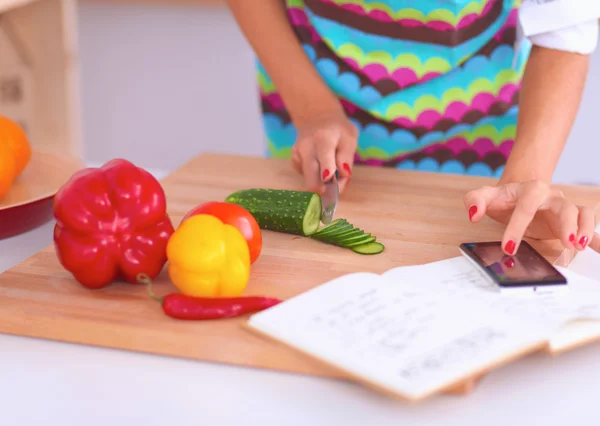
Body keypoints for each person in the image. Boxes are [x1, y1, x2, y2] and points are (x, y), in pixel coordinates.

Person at [226, 0, 600, 255]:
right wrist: (311, 109)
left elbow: (565, 20)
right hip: (311, 82)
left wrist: (524, 179)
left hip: (478, 111)